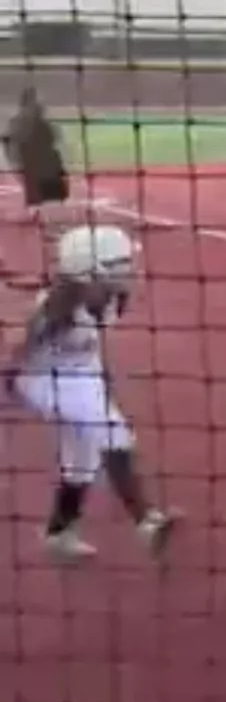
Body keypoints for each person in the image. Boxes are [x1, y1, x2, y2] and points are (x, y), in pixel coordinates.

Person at [1, 225, 178, 562]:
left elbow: (91, 342)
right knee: (114, 435)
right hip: (43, 378)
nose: (128, 271)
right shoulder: (61, 305)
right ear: (92, 269)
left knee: (82, 461)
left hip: (83, 374)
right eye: (120, 264)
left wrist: (100, 377)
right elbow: (23, 343)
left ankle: (59, 532)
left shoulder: (114, 295)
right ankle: (146, 520)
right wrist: (9, 376)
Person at [2, 87, 72, 287]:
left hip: (42, 160)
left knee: (48, 191)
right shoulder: (20, 120)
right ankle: (39, 217)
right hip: (32, 161)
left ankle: (41, 215)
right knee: (38, 189)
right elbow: (9, 141)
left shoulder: (36, 120)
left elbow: (55, 138)